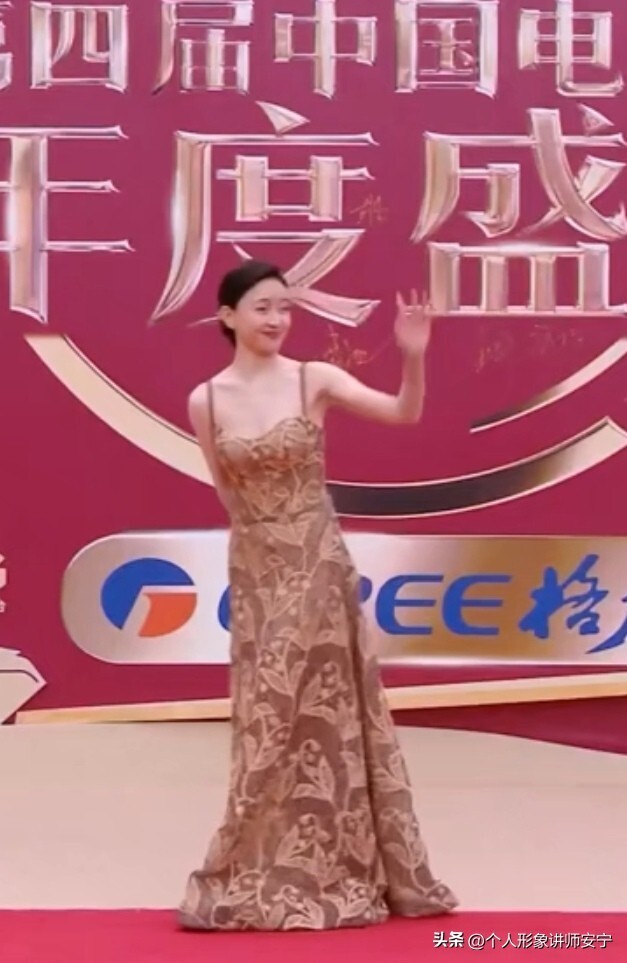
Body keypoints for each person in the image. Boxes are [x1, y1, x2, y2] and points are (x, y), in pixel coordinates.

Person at [180, 260, 457, 931]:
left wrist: (412, 356)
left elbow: (404, 412)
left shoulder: (314, 379)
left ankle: (336, 865)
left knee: (315, 717)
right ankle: (262, 861)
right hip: (257, 570)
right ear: (228, 316)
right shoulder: (205, 400)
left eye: (285, 308)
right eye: (262, 308)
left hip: (317, 564)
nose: (277, 320)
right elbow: (225, 491)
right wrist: (258, 556)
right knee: (265, 715)